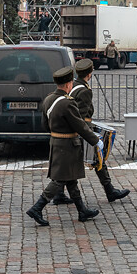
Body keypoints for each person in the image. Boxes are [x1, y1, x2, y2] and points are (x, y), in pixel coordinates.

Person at [25, 66, 103, 226]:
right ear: (68, 84)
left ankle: (82, 210)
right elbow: (79, 125)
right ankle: (37, 208)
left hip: (56, 142)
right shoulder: (67, 103)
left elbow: (45, 125)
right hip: (68, 145)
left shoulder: (48, 100)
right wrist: (95, 140)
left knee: (71, 178)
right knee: (60, 179)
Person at [49, 59, 129, 206]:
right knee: (98, 158)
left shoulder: (74, 86)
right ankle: (109, 190)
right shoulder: (84, 91)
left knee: (66, 164)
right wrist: (90, 135)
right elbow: (80, 115)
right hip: (80, 129)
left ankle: (60, 194)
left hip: (71, 129)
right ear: (90, 74)